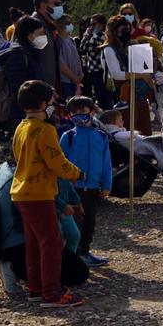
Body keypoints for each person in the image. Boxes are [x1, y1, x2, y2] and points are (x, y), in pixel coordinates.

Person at [11, 79, 85, 308]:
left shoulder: (21, 127)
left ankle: (36, 287)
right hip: (39, 193)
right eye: (51, 101)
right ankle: (52, 292)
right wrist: (76, 173)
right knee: (52, 243)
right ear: (43, 103)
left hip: (21, 192)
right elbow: (56, 161)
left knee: (35, 243)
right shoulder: (45, 130)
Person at [58, 96, 113, 267]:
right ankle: (72, 255)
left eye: (82, 111)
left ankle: (84, 253)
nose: (78, 115)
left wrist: (107, 184)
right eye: (74, 112)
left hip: (92, 187)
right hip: (73, 188)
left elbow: (106, 162)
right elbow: (61, 163)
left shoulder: (101, 136)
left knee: (89, 222)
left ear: (92, 112)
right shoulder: (68, 136)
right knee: (73, 224)